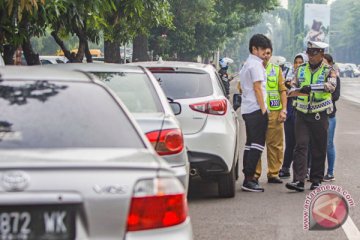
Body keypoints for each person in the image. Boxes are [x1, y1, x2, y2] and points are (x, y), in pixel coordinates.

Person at [285, 41, 336, 192]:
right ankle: (299, 180)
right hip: (301, 113)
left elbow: (332, 86)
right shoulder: (300, 69)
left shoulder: (328, 70)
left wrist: (313, 88)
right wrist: (293, 87)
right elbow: (293, 84)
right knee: (300, 145)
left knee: (318, 147)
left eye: (314, 54)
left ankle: (316, 180)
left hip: (320, 113)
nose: (311, 57)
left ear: (321, 54)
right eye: (309, 53)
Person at [239, 34, 272, 192]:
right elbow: (258, 88)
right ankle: (249, 179)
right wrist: (264, 110)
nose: (264, 52)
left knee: (250, 144)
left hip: (248, 108)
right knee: (258, 144)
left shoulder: (247, 64)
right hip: (256, 109)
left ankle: (248, 176)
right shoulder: (256, 65)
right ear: (254, 49)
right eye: (262, 49)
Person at [255, 47, 287, 183]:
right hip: (257, 112)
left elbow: (283, 90)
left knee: (275, 144)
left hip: (274, 112)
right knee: (256, 144)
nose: (266, 56)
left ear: (271, 55)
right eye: (263, 53)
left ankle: (273, 173)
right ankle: (254, 174)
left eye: (268, 53)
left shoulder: (276, 69)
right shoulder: (252, 69)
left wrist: (284, 109)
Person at [279, 53, 308, 179]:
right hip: (291, 113)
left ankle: (305, 169)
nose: (297, 65)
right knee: (290, 142)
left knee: (302, 143)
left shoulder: (307, 76)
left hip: (303, 114)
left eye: (300, 62)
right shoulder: (288, 76)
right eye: (296, 62)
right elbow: (284, 93)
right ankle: (285, 168)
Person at [323, 53, 340, 181]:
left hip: (329, 114)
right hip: (316, 114)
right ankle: (312, 170)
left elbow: (335, 96)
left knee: (328, 143)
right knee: (315, 143)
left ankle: (330, 172)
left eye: (324, 61)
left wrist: (322, 93)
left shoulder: (334, 77)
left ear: (329, 63)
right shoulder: (317, 75)